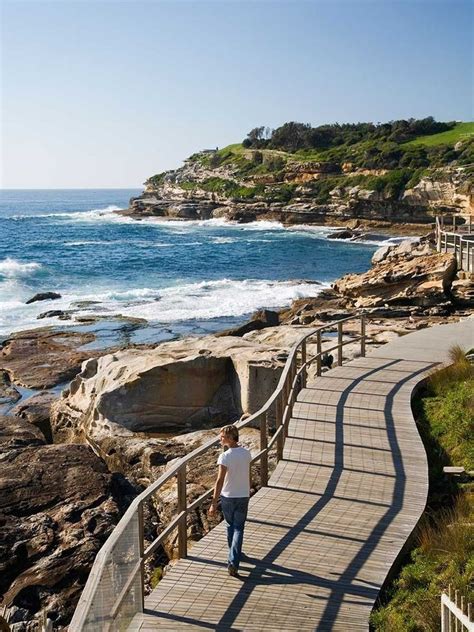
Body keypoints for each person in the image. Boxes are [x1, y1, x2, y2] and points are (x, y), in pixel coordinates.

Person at [209, 424, 251, 576]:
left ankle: (233, 557)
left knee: (230, 525)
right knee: (239, 528)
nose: (220, 439)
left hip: (228, 495)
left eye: (223, 437)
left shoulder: (225, 456)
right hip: (243, 494)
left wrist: (214, 503)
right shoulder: (246, 453)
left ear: (231, 438)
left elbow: (219, 480)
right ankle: (234, 554)